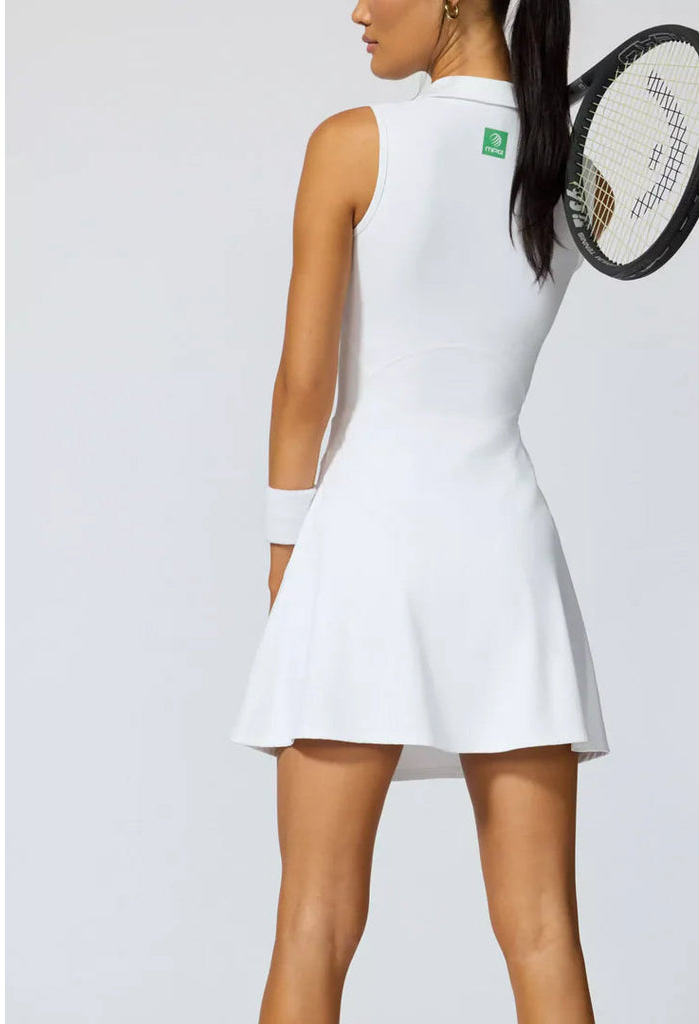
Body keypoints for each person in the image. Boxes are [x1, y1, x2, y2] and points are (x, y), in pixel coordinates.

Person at [229, 1, 610, 1020]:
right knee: (543, 930)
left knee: (312, 923)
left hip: (367, 547)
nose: (357, 9)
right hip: (508, 556)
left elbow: (302, 387)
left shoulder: (352, 145)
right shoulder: (579, 182)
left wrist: (284, 553)